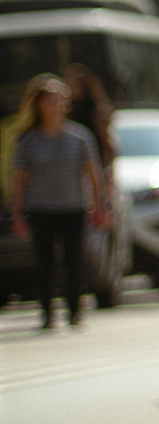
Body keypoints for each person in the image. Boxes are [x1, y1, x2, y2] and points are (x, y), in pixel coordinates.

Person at [10, 76, 110, 329]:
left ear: (66, 105)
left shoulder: (80, 137)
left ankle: (74, 310)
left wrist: (99, 206)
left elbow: (93, 174)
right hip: (40, 208)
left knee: (73, 261)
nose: (55, 106)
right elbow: (19, 180)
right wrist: (17, 214)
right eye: (49, 101)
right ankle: (47, 313)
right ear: (39, 105)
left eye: (59, 101)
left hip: (73, 207)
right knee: (45, 262)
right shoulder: (28, 140)